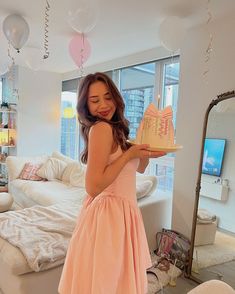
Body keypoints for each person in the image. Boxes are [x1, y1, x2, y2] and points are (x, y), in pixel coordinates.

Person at [58, 72, 166, 294]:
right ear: (85, 106)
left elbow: (140, 169)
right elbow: (94, 187)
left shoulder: (115, 131)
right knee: (109, 282)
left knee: (112, 281)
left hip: (122, 213)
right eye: (94, 100)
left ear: (116, 98)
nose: (104, 105)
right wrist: (129, 154)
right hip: (109, 216)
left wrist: (143, 151)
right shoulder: (101, 129)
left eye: (108, 97)